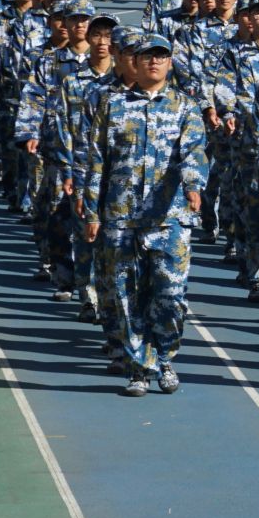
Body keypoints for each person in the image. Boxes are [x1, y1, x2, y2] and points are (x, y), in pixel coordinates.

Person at [80, 30, 208, 397]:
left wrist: (194, 184)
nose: (154, 61)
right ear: (134, 62)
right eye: (147, 56)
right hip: (121, 218)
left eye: (161, 56)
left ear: (170, 63)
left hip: (170, 218)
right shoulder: (112, 105)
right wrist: (92, 212)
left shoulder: (185, 106)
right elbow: (97, 161)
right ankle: (139, 368)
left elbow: (194, 152)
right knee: (126, 298)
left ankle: (164, 356)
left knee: (170, 296)